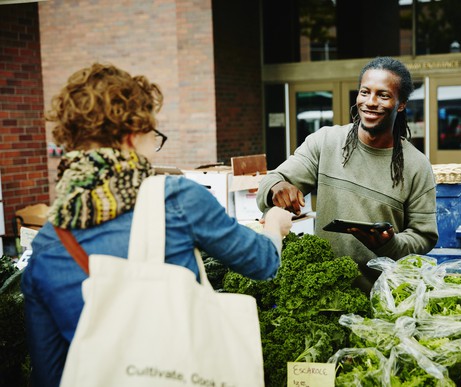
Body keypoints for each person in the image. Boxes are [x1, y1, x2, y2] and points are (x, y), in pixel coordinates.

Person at [21, 63, 293, 387]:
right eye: (155, 135)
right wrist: (275, 224)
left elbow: (49, 372)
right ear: (132, 136)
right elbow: (263, 263)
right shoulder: (175, 199)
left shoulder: (48, 241)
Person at [257, 56, 438, 292]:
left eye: (383, 95)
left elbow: (424, 237)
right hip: (324, 293)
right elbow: (271, 182)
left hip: (384, 297)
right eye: (365, 92)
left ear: (400, 103)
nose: (370, 102)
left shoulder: (417, 165)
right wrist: (276, 187)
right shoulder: (326, 142)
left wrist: (389, 244)